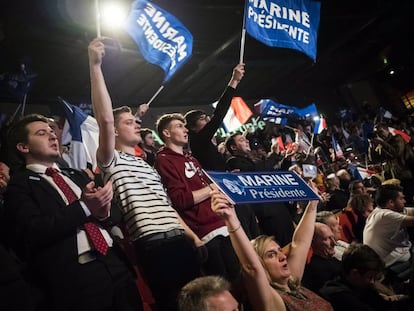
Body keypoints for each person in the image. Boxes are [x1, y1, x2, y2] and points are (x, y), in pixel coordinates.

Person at [88, 38, 202, 311]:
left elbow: (167, 206)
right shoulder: (110, 160)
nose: (136, 125)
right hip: (154, 245)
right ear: (114, 131)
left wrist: (192, 237)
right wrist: (94, 66)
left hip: (179, 239)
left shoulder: (146, 164)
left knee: (201, 304)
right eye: (128, 123)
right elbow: (104, 118)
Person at [3, 114, 143, 311]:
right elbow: (31, 232)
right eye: (42, 133)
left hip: (115, 263)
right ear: (23, 147)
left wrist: (103, 212)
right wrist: (84, 207)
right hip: (78, 277)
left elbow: (114, 214)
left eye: (53, 131)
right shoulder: (20, 184)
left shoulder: (76, 175)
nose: (53, 137)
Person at [210, 188, 333, 310]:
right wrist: (231, 218)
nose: (283, 256)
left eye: (279, 250)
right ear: (261, 265)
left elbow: (300, 243)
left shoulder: (291, 282)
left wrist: (313, 203)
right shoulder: (273, 302)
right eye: (271, 255)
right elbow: (251, 268)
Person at [154, 113, 240, 281]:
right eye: (179, 126)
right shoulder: (163, 160)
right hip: (207, 234)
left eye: (185, 126)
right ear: (166, 133)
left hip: (223, 224)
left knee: (242, 281)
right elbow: (180, 200)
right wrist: (213, 188)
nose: (185, 129)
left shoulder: (191, 158)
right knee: (225, 288)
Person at [225, 131, 294, 246]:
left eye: (245, 139)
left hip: (278, 205)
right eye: (241, 140)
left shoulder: (254, 160)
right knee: (285, 245)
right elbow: (257, 173)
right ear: (233, 147)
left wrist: (287, 159)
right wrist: (274, 155)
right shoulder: (233, 162)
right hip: (268, 212)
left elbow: (272, 173)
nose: (247, 141)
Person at [184, 63, 244, 171]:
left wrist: (228, 173)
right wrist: (234, 81)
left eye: (207, 117)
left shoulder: (208, 143)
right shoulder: (198, 141)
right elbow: (219, 114)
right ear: (192, 127)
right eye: (202, 118)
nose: (208, 120)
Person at [320, 243, 410, 311]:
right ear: (355, 274)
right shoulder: (341, 295)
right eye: (370, 277)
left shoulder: (359, 284)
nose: (372, 282)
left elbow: (382, 304)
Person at [363, 184, 414, 268]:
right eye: (401, 199)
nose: (404, 201)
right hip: (389, 263)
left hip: (392, 256)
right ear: (391, 202)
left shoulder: (381, 210)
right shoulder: (384, 215)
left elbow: (411, 211)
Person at [302, 223, 342, 293]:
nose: (334, 242)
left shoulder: (331, 259)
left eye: (332, 237)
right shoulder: (317, 271)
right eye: (327, 239)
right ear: (312, 243)